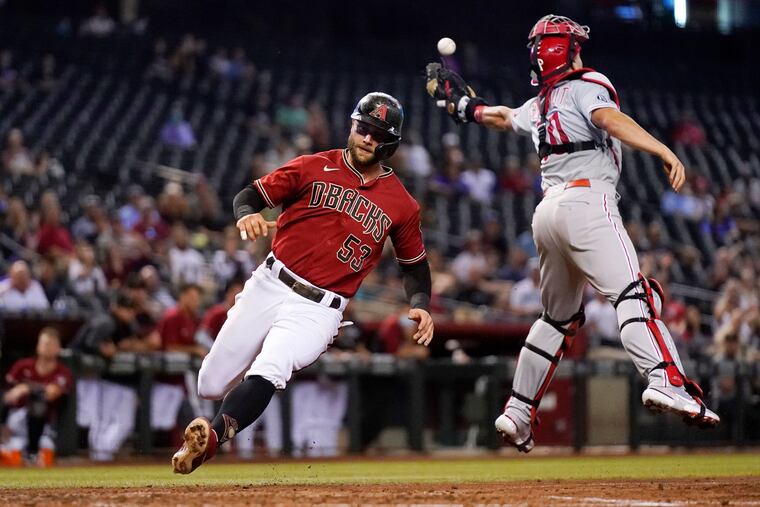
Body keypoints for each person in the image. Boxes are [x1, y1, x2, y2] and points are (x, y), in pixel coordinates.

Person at [426, 14, 718, 453]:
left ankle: (518, 412)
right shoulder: (589, 84)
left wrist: (466, 108)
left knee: (556, 319)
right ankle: (665, 381)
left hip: (547, 213)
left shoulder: (540, 103)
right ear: (569, 49)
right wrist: (661, 147)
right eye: (575, 44)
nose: (580, 49)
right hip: (588, 201)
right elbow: (609, 119)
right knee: (634, 296)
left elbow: (502, 117)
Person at [172, 92, 434, 473]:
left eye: (378, 134)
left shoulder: (402, 204)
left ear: (390, 143)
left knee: (272, 367)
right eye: (363, 128)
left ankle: (209, 440)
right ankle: (231, 407)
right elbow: (250, 195)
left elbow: (414, 264)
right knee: (209, 385)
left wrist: (422, 303)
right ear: (352, 125)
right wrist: (247, 214)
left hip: (319, 308)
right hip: (270, 282)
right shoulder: (312, 166)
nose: (367, 138)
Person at [2, 328, 73, 466]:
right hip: (16, 420)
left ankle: (32, 451)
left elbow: (52, 393)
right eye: (44, 343)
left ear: (58, 348)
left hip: (44, 425)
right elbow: (8, 394)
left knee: (38, 404)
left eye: (51, 344)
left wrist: (27, 387)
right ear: (38, 346)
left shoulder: (62, 371)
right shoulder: (23, 365)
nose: (47, 348)